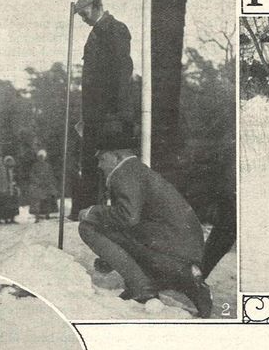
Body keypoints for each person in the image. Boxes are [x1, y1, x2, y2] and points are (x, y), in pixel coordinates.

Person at [77, 129, 212, 316]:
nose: (99, 165)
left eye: (102, 159)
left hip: (168, 249)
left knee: (88, 226)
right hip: (182, 247)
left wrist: (92, 212)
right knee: (105, 225)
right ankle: (186, 278)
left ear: (117, 157)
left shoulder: (123, 173)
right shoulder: (137, 170)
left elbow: (127, 217)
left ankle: (142, 288)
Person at [74, 0, 134, 211]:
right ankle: (91, 213)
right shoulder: (96, 32)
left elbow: (121, 73)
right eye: (79, 15)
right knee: (92, 164)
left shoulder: (115, 29)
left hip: (110, 115)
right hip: (94, 114)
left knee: (113, 164)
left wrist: (116, 114)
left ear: (97, 6)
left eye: (84, 13)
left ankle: (121, 212)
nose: (82, 18)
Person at [27, 149, 59, 221]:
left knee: (47, 200)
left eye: (42, 157)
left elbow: (50, 175)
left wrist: (47, 182)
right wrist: (37, 181)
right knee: (36, 201)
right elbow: (32, 175)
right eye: (40, 157)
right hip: (37, 185)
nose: (41, 158)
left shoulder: (48, 166)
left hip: (46, 185)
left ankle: (47, 214)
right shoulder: (35, 166)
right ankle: (37, 216)